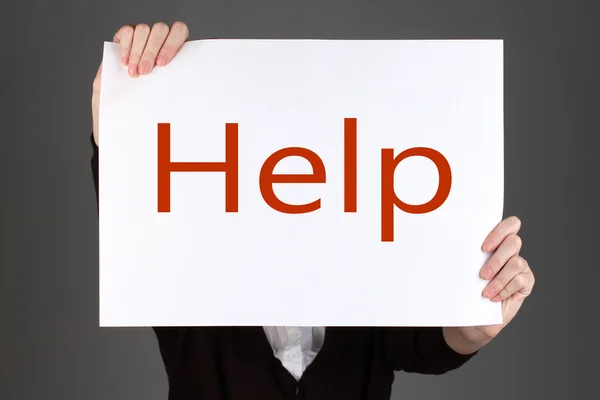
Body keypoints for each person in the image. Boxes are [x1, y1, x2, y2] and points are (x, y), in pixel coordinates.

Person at [90, 21, 536, 400]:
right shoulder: (190, 254)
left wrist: (473, 325)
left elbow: (420, 344)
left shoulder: (373, 239)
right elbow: (141, 218)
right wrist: (123, 110)